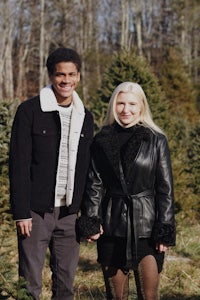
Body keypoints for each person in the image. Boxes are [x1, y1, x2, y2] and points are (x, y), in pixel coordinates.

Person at [9, 47, 94, 300]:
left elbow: (87, 169)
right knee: (30, 285)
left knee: (65, 286)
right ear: (50, 75)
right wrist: (21, 212)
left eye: (71, 74)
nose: (66, 81)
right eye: (60, 75)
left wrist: (88, 214)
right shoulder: (29, 112)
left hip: (69, 214)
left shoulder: (85, 117)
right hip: (35, 213)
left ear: (78, 76)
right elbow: (19, 164)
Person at [78, 82, 176, 300]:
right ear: (113, 105)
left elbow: (165, 188)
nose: (126, 109)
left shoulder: (156, 139)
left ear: (141, 106)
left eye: (132, 103)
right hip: (111, 228)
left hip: (148, 230)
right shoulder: (102, 140)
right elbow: (94, 183)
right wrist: (91, 221)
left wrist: (165, 228)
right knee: (115, 297)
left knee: (149, 296)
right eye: (120, 103)